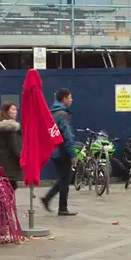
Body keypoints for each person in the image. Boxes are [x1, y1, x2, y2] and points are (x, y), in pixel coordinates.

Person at [42, 87, 77, 217]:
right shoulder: (62, 114)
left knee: (64, 179)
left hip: (54, 150)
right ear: (64, 99)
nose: (71, 100)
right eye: (70, 97)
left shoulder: (53, 113)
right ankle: (62, 208)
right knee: (65, 180)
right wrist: (72, 154)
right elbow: (67, 135)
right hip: (62, 151)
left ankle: (47, 199)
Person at [0, 100, 23, 188]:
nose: (16, 112)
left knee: (3, 186)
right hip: (9, 162)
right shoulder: (10, 127)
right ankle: (8, 202)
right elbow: (15, 147)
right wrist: (23, 158)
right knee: (11, 186)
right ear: (7, 111)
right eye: (13, 110)